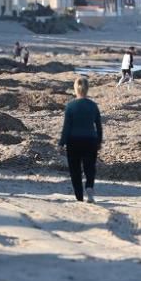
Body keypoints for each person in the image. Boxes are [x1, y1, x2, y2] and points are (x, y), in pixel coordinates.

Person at [59, 75, 103, 203]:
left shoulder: (71, 106)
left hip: (73, 141)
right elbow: (98, 126)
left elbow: (66, 127)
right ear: (87, 89)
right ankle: (89, 187)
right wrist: (99, 141)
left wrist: (61, 143)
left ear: (75, 89)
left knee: (75, 170)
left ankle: (79, 197)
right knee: (90, 167)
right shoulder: (93, 106)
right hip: (90, 140)